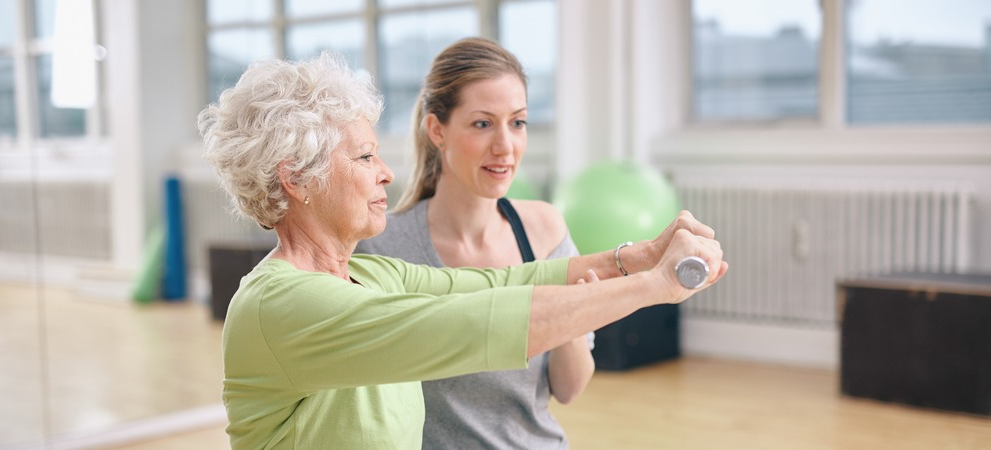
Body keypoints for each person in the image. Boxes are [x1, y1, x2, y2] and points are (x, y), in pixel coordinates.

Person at [198, 51, 728, 450]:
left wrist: (633, 259)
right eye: (363, 157)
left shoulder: (371, 275)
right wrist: (655, 286)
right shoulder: (285, 307)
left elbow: (501, 284)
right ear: (297, 179)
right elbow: (477, 325)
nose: (385, 172)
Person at [355, 37, 592, 449]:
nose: (505, 146)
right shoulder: (382, 246)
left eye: (517, 122)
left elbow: (569, 389)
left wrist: (569, 310)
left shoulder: (543, 230)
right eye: (483, 123)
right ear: (437, 130)